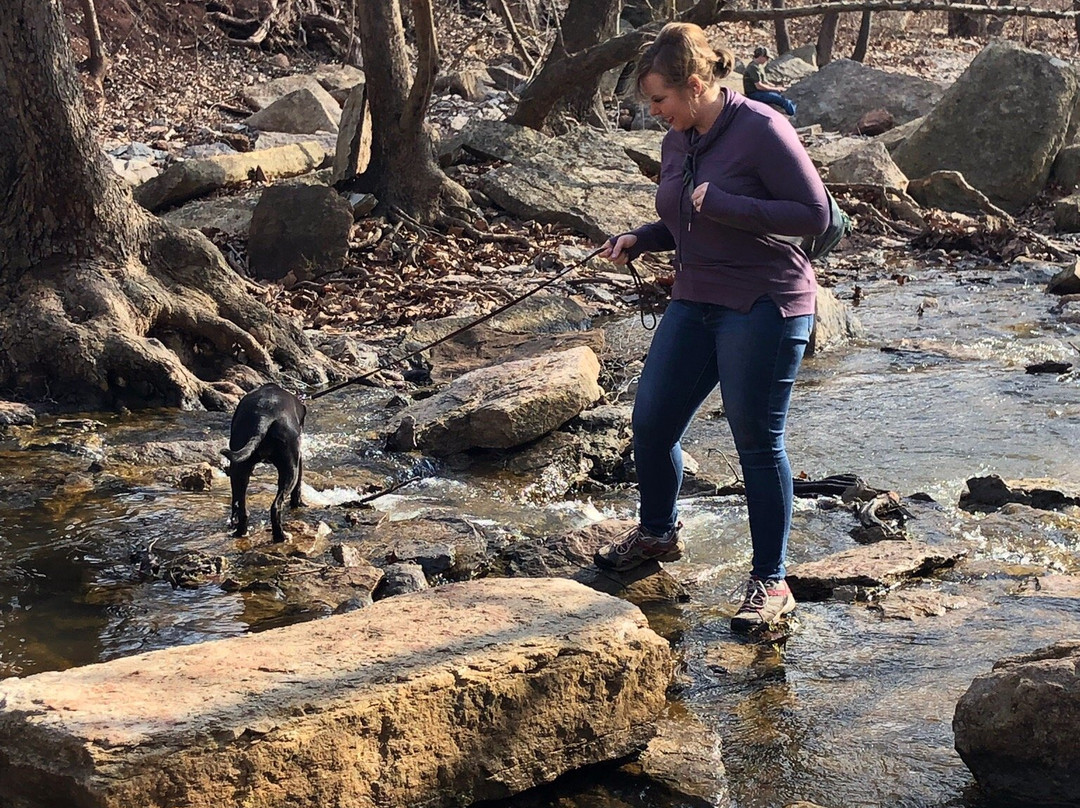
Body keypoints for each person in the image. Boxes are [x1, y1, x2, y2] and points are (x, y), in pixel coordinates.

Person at [593, 22, 829, 631]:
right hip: (696, 298)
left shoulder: (762, 129)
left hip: (764, 303)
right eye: (649, 101)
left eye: (659, 99)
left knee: (755, 441)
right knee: (651, 422)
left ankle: (770, 581)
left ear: (695, 85)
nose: (653, 111)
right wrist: (641, 239)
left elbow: (812, 214)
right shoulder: (678, 138)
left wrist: (727, 205)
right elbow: (683, 218)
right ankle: (657, 533)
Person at [742, 45, 796, 117]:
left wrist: (778, 87)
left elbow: (765, 82)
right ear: (761, 56)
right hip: (754, 93)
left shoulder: (759, 66)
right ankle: (793, 116)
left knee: (783, 94)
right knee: (781, 100)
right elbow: (759, 86)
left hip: (760, 91)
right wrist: (776, 89)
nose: (767, 60)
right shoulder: (753, 68)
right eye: (766, 58)